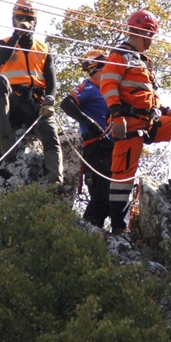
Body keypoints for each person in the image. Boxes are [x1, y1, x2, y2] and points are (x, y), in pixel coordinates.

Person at [99, 9, 171, 234]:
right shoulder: (119, 56)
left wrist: (166, 110)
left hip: (149, 122)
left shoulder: (143, 61)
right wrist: (117, 116)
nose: (151, 41)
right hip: (128, 125)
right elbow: (108, 85)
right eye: (151, 36)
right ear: (144, 32)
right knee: (122, 178)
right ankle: (119, 229)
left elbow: (146, 96)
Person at [0, 0, 63, 183]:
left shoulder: (44, 49)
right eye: (19, 17)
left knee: (50, 132)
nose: (23, 21)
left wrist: (49, 101)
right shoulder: (3, 43)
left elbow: (52, 81)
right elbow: (1, 58)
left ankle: (55, 181)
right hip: (13, 104)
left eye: (28, 18)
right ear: (13, 20)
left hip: (35, 104)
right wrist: (17, 35)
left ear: (35, 22)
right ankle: (6, 142)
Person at [60, 49, 113, 228]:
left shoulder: (111, 91)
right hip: (96, 147)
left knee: (116, 196)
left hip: (113, 147)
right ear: (97, 67)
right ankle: (85, 234)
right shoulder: (88, 87)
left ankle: (108, 237)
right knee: (101, 196)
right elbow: (66, 103)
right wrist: (90, 124)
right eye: (106, 65)